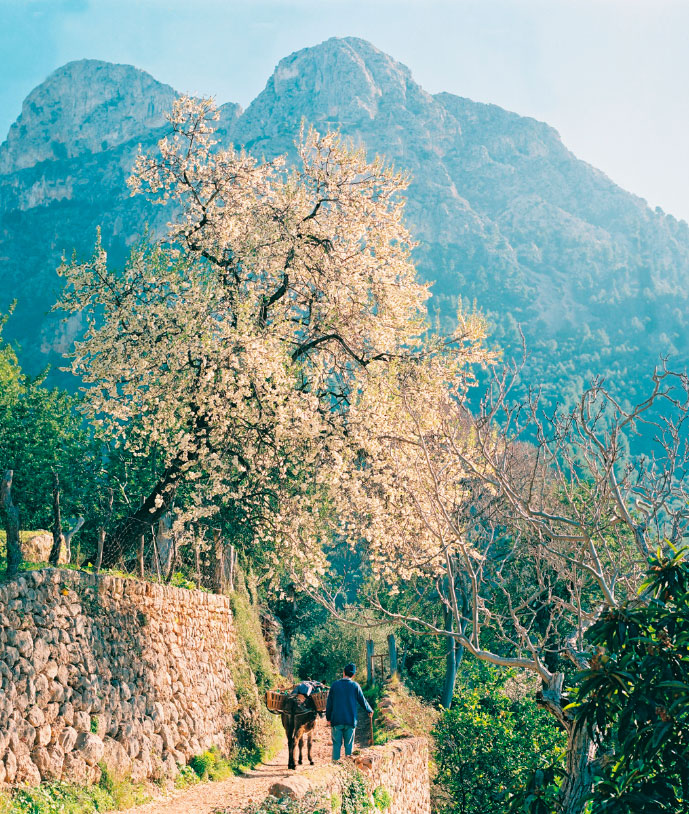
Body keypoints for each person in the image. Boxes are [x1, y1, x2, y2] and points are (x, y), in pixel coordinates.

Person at [325, 662, 373, 760]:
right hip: (350, 720)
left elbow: (329, 704)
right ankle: (348, 768)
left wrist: (328, 718)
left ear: (343, 672)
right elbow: (362, 700)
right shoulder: (355, 686)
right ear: (353, 675)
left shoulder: (335, 685)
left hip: (336, 720)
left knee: (336, 745)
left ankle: (335, 766)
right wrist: (369, 710)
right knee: (349, 746)